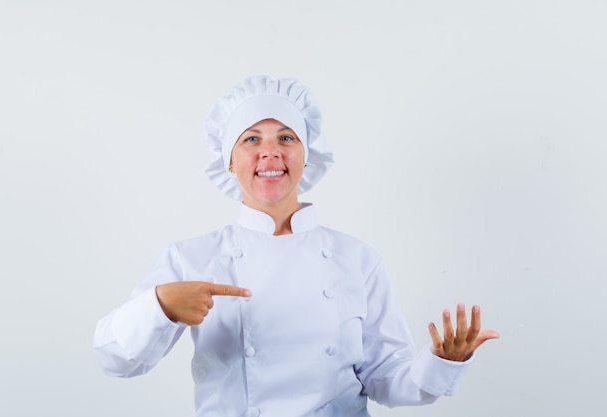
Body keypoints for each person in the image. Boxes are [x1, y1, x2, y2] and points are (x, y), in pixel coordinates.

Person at [93, 75, 500, 417]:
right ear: (229, 160)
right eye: (251, 139)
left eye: (286, 137)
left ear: (307, 156)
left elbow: (386, 377)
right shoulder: (191, 258)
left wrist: (443, 362)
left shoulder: (357, 260)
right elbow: (113, 360)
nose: (270, 151)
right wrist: (160, 306)